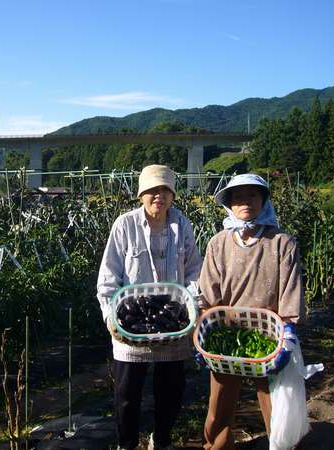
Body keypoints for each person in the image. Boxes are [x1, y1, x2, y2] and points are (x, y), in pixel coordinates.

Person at [97, 164, 202, 450]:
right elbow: (108, 275)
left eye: (165, 190)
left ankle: (162, 439)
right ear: (141, 194)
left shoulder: (182, 225)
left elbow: (194, 270)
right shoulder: (125, 225)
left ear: (173, 195)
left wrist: (191, 304)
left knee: (171, 389)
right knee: (127, 391)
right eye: (153, 191)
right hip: (132, 323)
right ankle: (127, 444)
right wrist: (110, 316)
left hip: (172, 320)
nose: (159, 196)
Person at [198, 173, 305, 450]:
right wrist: (204, 328)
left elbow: (290, 294)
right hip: (228, 335)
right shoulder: (219, 243)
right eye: (238, 197)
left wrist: (288, 333)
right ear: (230, 204)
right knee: (219, 401)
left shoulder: (282, 242)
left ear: (263, 201)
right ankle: (218, 444)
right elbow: (209, 295)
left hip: (269, 336)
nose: (245, 202)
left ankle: (283, 445)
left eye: (253, 195)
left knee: (275, 399)